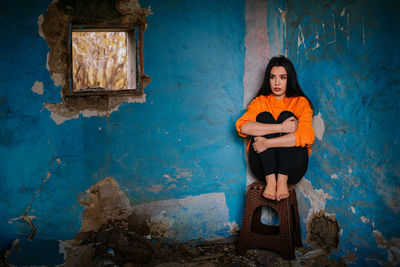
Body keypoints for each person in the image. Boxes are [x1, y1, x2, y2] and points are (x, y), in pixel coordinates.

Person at [236, 55, 315, 201]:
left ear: (289, 78)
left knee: (286, 114)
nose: (277, 82)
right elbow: (244, 127)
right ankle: (271, 181)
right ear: (268, 79)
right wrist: (282, 127)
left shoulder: (300, 102)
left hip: (293, 167)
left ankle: (282, 180)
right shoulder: (261, 101)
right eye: (272, 77)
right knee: (264, 117)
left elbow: (306, 136)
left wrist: (266, 143)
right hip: (263, 169)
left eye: (283, 77)